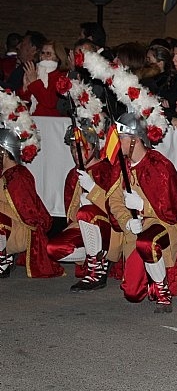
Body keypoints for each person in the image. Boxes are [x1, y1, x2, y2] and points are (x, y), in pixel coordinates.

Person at [109, 111, 177, 313]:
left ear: (135, 141)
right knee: (132, 293)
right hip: (135, 231)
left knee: (147, 242)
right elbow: (114, 202)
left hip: (163, 227)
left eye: (122, 138)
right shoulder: (122, 166)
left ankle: (162, 288)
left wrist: (142, 206)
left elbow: (173, 209)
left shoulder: (159, 165)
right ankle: (150, 273)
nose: (117, 142)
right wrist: (127, 221)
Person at [47, 122, 123, 291]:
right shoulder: (72, 175)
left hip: (109, 230)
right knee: (53, 249)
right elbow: (71, 215)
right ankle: (92, 258)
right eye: (73, 147)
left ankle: (97, 268)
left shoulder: (106, 169)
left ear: (93, 147)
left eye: (81, 147)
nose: (76, 152)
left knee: (87, 212)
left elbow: (116, 209)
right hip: (82, 226)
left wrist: (93, 191)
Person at [0, 93, 64, 278]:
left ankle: (3, 258)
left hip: (20, 230)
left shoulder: (18, 176)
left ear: (5, 153)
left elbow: (28, 213)